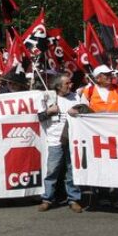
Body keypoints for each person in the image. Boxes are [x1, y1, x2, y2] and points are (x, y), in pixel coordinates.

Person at [37, 74, 88, 213]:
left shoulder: (75, 97)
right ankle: (47, 199)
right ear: (58, 86)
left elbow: (86, 111)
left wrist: (78, 111)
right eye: (67, 83)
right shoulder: (48, 97)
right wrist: (49, 111)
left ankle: (74, 199)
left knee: (72, 170)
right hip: (55, 140)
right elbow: (39, 117)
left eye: (70, 83)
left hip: (73, 140)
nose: (70, 85)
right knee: (52, 170)